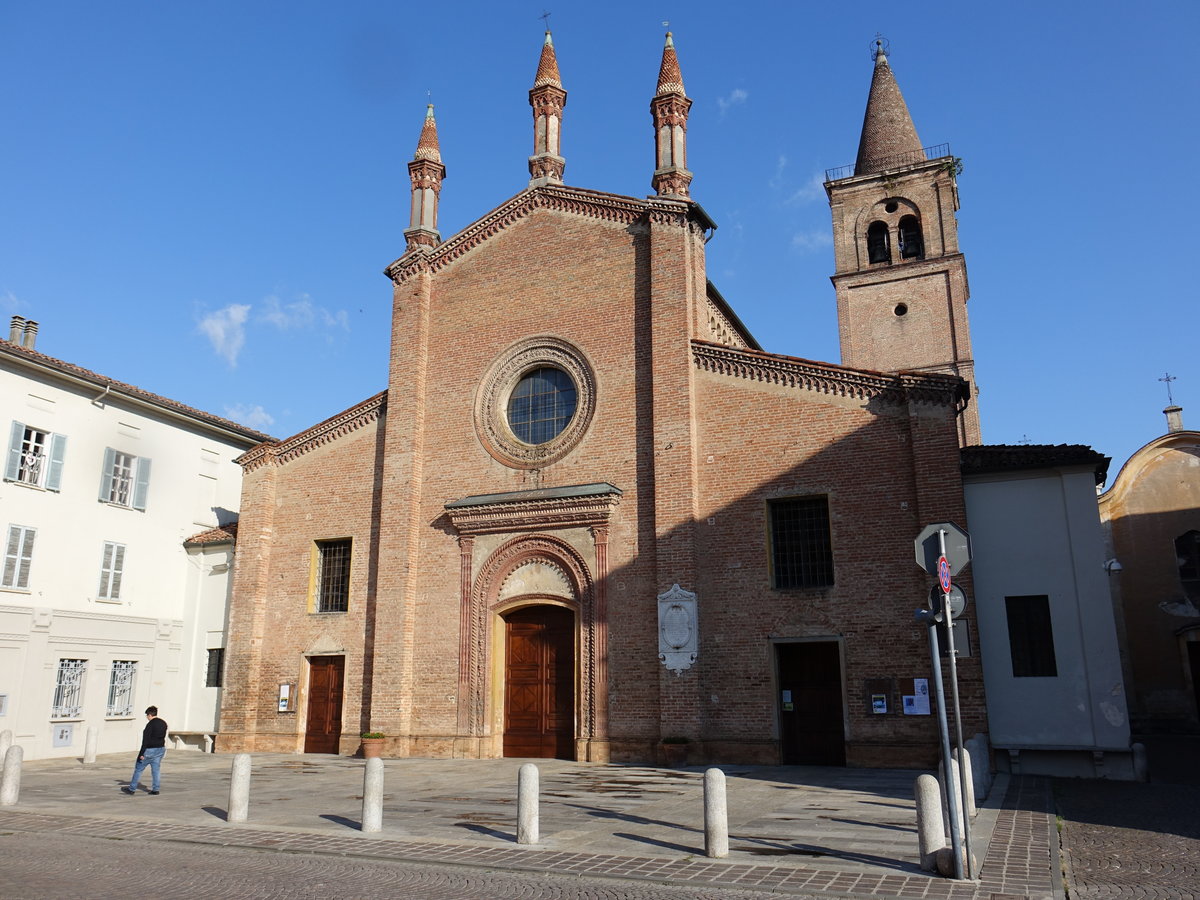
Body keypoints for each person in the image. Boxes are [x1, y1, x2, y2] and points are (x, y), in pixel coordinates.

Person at [123, 706, 168, 795]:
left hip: (149, 750)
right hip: (160, 749)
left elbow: (145, 740)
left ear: (150, 715)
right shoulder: (163, 723)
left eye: (147, 716)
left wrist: (141, 754)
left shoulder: (150, 725)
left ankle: (132, 788)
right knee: (156, 770)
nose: (147, 718)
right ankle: (156, 789)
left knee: (139, 769)